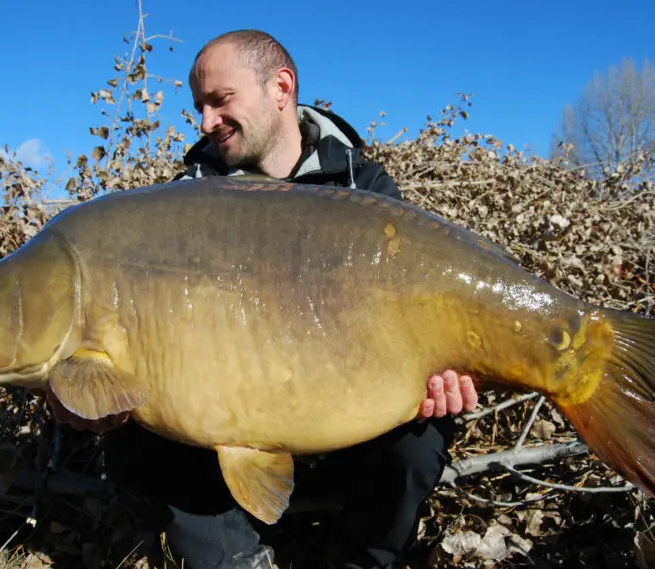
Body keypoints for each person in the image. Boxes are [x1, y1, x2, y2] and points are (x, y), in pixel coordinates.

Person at [53, 29, 479, 569]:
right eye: (199, 108)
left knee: (422, 434)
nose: (205, 122)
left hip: (344, 435)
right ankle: (233, 557)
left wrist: (444, 375)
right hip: (220, 446)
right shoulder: (182, 204)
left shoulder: (364, 188)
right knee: (137, 427)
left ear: (281, 87)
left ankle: (356, 558)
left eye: (220, 101)